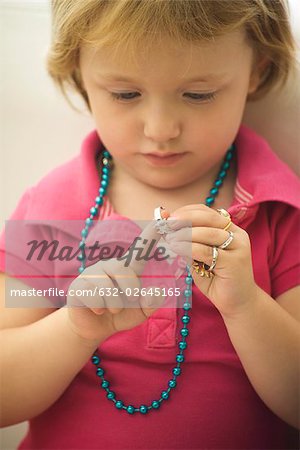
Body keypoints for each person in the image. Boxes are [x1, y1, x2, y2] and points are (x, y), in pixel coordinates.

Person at [0, 0, 299, 449]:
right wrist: (73, 329)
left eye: (198, 94)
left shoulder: (279, 210)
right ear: (81, 74)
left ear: (257, 69)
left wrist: (247, 308)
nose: (160, 129)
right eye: (125, 94)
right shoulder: (51, 208)